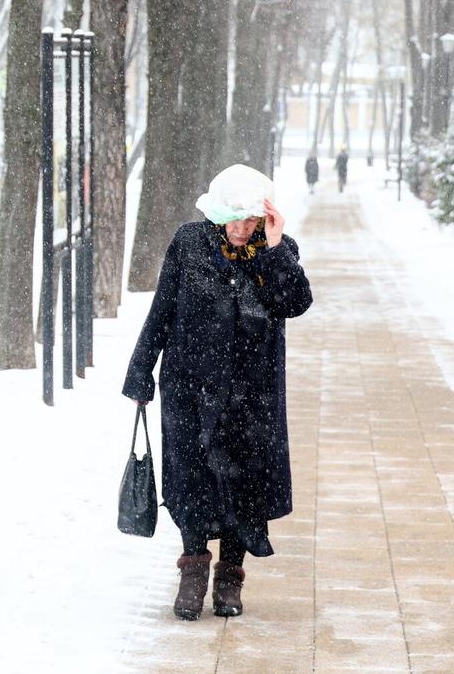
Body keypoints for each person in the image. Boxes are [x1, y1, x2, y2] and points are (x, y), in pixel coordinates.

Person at [123, 164, 313, 621]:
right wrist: (140, 371)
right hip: (190, 386)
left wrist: (273, 247)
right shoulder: (189, 243)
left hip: (253, 395)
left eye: (252, 220)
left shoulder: (277, 252)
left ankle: (230, 578)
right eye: (236, 220)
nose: (243, 230)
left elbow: (296, 303)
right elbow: (163, 308)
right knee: (192, 482)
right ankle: (192, 573)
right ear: (217, 215)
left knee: (244, 488)